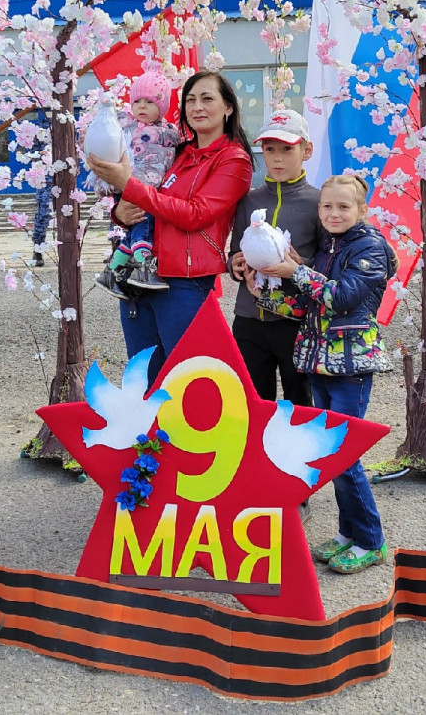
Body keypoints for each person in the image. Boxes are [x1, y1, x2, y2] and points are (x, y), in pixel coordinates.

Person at [244, 175, 395, 574]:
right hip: (321, 363)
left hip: (350, 367)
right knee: (329, 456)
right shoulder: (330, 247)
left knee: (344, 456)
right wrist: (267, 296)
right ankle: (349, 533)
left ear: (362, 211)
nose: (333, 213)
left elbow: (340, 297)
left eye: (344, 207)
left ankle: (370, 540)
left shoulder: (370, 248)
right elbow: (310, 308)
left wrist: (296, 270)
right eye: (327, 206)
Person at [87, 70, 253, 384]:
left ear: (228, 107)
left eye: (207, 98)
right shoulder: (175, 151)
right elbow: (145, 205)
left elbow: (194, 215)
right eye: (190, 100)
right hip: (140, 277)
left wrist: (130, 186)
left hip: (184, 284)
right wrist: (120, 212)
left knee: (183, 380)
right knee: (143, 379)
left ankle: (179, 437)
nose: (197, 107)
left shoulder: (233, 160)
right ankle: (150, 436)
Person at [228, 108, 320, 408]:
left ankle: (298, 455)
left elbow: (328, 267)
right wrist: (236, 265)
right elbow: (234, 253)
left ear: (306, 150)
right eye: (269, 149)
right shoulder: (249, 201)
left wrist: (299, 268)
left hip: (296, 321)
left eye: (286, 149)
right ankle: (257, 455)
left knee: (300, 400)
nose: (277, 158)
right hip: (249, 319)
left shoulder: (319, 202)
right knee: (253, 402)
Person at [92, 71, 183, 297]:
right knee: (143, 228)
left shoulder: (167, 134)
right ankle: (143, 265)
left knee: (134, 232)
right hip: (132, 189)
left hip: (147, 188)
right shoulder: (124, 127)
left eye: (150, 102)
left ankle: (112, 270)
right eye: (137, 101)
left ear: (161, 107)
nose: (142, 106)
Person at [31, 166, 53, 268]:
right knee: (43, 214)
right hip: (45, 174)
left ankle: (70, 253)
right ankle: (38, 251)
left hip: (65, 171)